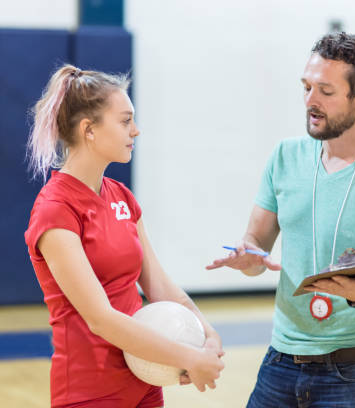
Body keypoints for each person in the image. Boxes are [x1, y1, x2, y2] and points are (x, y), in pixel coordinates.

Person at [207, 32, 355, 407]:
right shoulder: (284, 157)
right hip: (280, 361)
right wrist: (249, 259)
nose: (310, 101)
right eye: (307, 87)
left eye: (326, 91)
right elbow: (257, 247)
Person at [24, 64, 224, 408]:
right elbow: (100, 319)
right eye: (124, 121)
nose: (136, 130)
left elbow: (160, 287)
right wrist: (188, 358)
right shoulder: (55, 209)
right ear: (89, 129)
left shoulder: (122, 197)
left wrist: (208, 334)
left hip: (145, 380)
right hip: (89, 392)